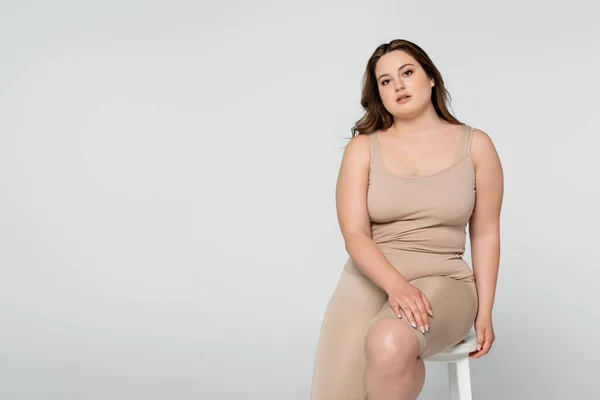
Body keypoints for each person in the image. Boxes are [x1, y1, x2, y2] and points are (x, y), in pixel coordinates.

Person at [310, 39, 504, 400]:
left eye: (407, 72)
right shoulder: (363, 148)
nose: (397, 85)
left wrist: (486, 311)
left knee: (389, 340)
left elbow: (486, 233)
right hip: (369, 277)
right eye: (385, 81)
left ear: (431, 77)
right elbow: (355, 234)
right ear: (378, 94)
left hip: (445, 280)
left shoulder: (476, 145)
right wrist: (398, 287)